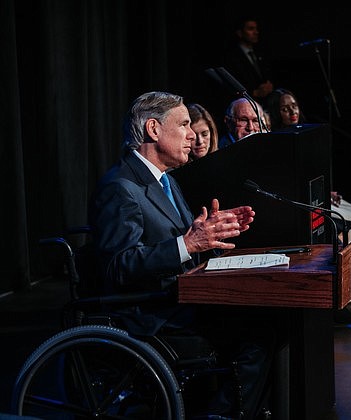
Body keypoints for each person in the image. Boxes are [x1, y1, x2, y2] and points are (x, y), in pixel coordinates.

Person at [89, 91, 274, 418]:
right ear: (153, 130)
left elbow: (185, 240)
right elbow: (119, 266)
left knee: (270, 316)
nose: (192, 135)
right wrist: (187, 244)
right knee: (259, 335)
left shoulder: (167, 182)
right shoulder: (120, 188)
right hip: (150, 315)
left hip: (182, 300)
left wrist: (212, 233)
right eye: (184, 124)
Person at [264, 88, 351, 243]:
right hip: (302, 202)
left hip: (317, 195)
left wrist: (326, 192)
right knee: (350, 218)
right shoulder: (277, 142)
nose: (292, 111)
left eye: (294, 105)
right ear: (276, 113)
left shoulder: (306, 134)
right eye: (284, 109)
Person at [222, 16, 274, 103]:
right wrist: (254, 93)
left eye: (256, 29)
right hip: (245, 103)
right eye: (251, 29)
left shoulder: (261, 53)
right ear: (240, 33)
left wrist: (269, 85)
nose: (256, 32)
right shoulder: (231, 57)